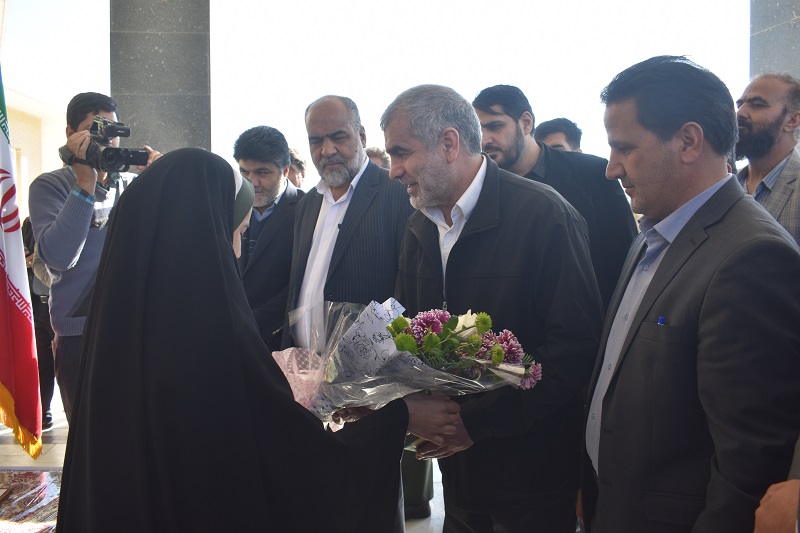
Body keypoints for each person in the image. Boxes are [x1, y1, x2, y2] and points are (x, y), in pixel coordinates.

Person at [55, 148, 461, 533]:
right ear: (206, 232)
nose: (238, 243)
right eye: (235, 227)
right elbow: (297, 469)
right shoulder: (212, 336)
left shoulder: (116, 332)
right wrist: (397, 417)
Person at [583, 56, 800, 533]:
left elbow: (748, 464)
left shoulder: (752, 257)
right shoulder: (652, 234)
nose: (611, 169)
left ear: (688, 141)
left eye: (625, 148)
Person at [384, 84, 603, 533]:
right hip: (458, 475)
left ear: (449, 143)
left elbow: (574, 351)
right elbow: (409, 335)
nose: (393, 171)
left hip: (532, 478)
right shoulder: (418, 227)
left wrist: (476, 423)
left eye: (401, 153)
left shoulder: (545, 216)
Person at [28, 92, 160, 422]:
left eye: (112, 131)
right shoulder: (50, 186)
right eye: (94, 130)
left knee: (137, 433)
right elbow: (60, 258)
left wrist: (160, 181)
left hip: (134, 327)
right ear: (70, 133)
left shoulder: (133, 185)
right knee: (89, 437)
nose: (106, 140)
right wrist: (85, 183)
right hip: (79, 335)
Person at [472, 85, 636, 310]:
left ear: (526, 122)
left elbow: (625, 256)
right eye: (479, 130)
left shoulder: (592, 173)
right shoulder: (480, 189)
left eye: (495, 126)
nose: (485, 140)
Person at [284, 95, 414, 347]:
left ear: (362, 136)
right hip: (301, 365)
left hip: (366, 366)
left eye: (338, 137)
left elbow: (407, 294)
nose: (327, 150)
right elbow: (296, 289)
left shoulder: (399, 194)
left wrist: (360, 355)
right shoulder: (307, 203)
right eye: (316, 140)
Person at [233, 126, 303, 351]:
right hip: (228, 337)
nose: (252, 182)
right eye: (244, 172)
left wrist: (252, 325)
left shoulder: (308, 209)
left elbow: (300, 283)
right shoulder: (227, 206)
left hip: (280, 343)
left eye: (262, 173)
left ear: (285, 170)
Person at [735, 73, 800, 244]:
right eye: (740, 105)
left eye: (757, 105)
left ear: (792, 120)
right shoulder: (728, 185)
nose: (740, 113)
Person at [21, 217, 55, 430]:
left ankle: (76, 413)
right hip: (37, 305)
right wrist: (25, 259)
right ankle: (44, 412)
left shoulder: (64, 218)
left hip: (63, 303)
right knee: (41, 361)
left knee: (70, 361)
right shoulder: (28, 224)